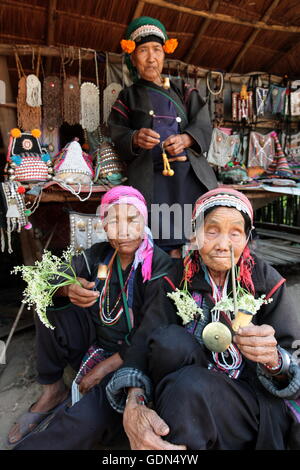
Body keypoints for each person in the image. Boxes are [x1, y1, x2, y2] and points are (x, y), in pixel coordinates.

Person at [107, 188, 300, 450]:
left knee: (189, 387)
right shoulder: (173, 278)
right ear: (194, 234)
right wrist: (135, 401)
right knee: (169, 342)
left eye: (235, 232)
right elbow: (144, 342)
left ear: (246, 239)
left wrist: (275, 360)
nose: (222, 244)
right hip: (186, 397)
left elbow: (294, 363)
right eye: (211, 230)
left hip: (250, 407)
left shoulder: (267, 283)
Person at [8, 185, 177, 450]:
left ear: (144, 221)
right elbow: (42, 280)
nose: (123, 230)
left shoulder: (159, 265)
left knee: (84, 419)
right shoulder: (99, 255)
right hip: (94, 346)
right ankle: (53, 391)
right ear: (104, 226)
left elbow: (152, 332)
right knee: (48, 303)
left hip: (133, 362)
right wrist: (67, 287)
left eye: (132, 220)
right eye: (113, 221)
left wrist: (104, 368)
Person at [109, 16, 217, 258]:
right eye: (143, 50)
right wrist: (136, 137)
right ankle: (163, 285)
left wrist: (187, 139)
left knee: (196, 239)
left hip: (189, 178)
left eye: (156, 49)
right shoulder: (128, 97)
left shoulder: (183, 89)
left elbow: (203, 121)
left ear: (164, 54)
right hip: (153, 182)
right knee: (161, 244)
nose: (151, 58)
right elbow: (117, 132)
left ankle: (196, 289)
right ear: (133, 57)